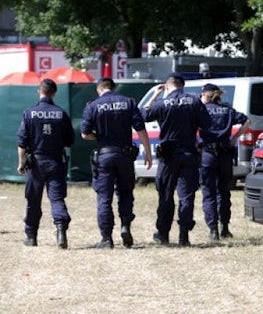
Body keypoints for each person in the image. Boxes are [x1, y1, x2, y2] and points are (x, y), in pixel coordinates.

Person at [80, 77, 154, 248]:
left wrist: (100, 136)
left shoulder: (92, 106)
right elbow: (140, 129)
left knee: (104, 197)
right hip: (125, 155)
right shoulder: (128, 102)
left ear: (99, 89)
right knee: (125, 192)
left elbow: (85, 134)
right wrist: (148, 153)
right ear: (113, 88)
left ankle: (106, 238)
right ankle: (125, 225)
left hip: (105, 156)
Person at [142, 73, 212, 246]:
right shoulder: (194, 101)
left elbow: (143, 116)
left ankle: (163, 234)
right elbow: (207, 124)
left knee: (165, 194)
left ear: (167, 86)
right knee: (186, 196)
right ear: (183, 86)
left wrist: (155, 96)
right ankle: (184, 235)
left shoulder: (161, 103)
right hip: (189, 153)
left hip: (168, 155)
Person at [17, 78, 75, 248]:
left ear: (39, 91)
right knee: (57, 199)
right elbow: (69, 141)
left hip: (36, 163)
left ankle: (31, 237)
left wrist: (21, 163)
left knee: (33, 201)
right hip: (55, 162)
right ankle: (61, 232)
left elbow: (22, 142)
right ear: (54, 93)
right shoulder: (61, 114)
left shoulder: (29, 113)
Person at [198, 83, 251, 240]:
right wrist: (234, 139)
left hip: (208, 155)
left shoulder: (201, 110)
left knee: (209, 193)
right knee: (224, 192)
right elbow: (247, 121)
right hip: (225, 155)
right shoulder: (227, 110)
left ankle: (213, 229)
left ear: (205, 95)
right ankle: (225, 228)